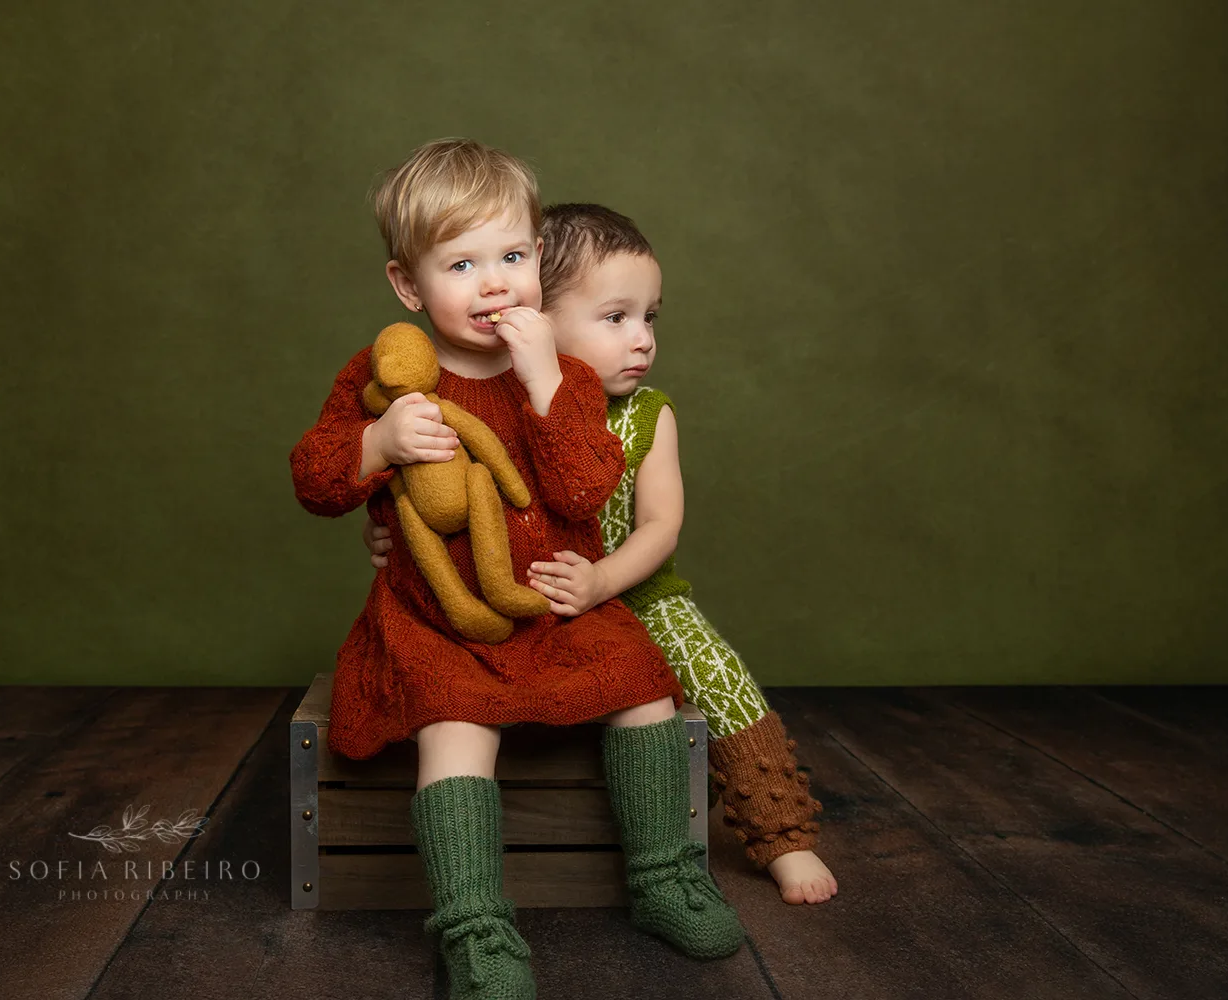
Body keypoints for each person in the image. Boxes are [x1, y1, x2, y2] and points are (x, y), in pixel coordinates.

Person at [290, 140, 744, 1000]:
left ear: (538, 258)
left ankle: (662, 877)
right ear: (407, 286)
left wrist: (541, 385)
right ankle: (475, 927)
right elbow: (314, 481)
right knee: (454, 728)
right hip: (438, 617)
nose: (495, 282)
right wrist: (374, 446)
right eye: (462, 264)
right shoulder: (383, 377)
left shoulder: (565, 372)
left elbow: (585, 488)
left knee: (640, 682)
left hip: (550, 603)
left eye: (512, 256)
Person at [364, 202, 839, 906]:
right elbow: (452, 500)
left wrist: (604, 581)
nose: (642, 340)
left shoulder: (650, 415)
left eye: (650, 318)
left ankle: (783, 834)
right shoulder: (507, 402)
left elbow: (660, 528)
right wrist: (387, 532)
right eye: (616, 318)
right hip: (539, 607)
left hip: (636, 592)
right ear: (536, 318)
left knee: (716, 675)